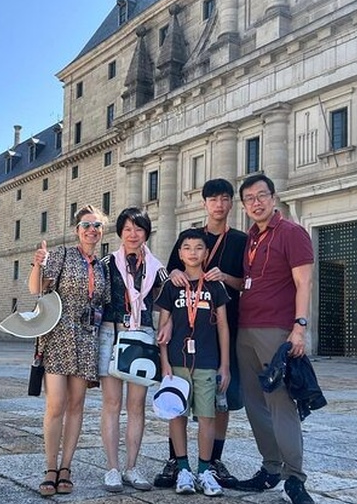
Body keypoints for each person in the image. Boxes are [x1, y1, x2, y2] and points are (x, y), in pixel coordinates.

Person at [157, 178, 247, 489]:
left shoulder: (240, 240)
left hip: (227, 328)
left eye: (225, 199)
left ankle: (212, 461)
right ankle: (176, 461)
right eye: (213, 199)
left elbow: (248, 282)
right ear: (204, 203)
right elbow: (169, 274)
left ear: (231, 203)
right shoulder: (190, 238)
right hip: (184, 334)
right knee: (177, 400)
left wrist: (228, 278)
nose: (219, 205)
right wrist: (175, 274)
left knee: (222, 401)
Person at [234, 174, 316, 504]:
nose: (256, 202)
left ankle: (294, 477)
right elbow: (249, 282)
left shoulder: (292, 233)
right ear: (244, 205)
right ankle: (270, 468)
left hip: (276, 332)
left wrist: (299, 328)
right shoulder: (251, 238)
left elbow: (304, 284)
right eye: (249, 198)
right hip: (245, 330)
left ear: (274, 197)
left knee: (281, 404)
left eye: (261, 195)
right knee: (255, 405)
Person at [29, 204, 110, 498]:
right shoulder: (62, 255)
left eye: (97, 226)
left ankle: (66, 468)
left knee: (77, 407)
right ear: (77, 230)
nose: (92, 230)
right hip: (58, 336)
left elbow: (104, 303)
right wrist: (38, 263)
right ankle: (50, 468)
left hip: (87, 339)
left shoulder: (102, 266)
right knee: (56, 405)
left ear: (102, 232)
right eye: (86, 225)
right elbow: (36, 289)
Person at [155, 228, 230, 497]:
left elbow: (223, 327)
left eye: (199, 247)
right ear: (179, 253)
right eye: (187, 248)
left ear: (206, 253)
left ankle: (204, 470)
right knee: (177, 415)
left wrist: (225, 365)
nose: (193, 252)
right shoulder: (171, 285)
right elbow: (163, 326)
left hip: (208, 362)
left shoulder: (215, 286)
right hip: (176, 362)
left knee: (207, 416)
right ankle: (184, 468)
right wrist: (164, 363)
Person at [98, 207, 167, 492]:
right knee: (112, 404)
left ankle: (132, 467)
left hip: (143, 337)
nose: (133, 234)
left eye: (138, 229)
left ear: (146, 233)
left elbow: (166, 303)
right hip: (111, 334)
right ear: (120, 233)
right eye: (127, 229)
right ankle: (113, 468)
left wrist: (166, 326)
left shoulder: (157, 268)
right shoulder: (106, 264)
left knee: (136, 405)